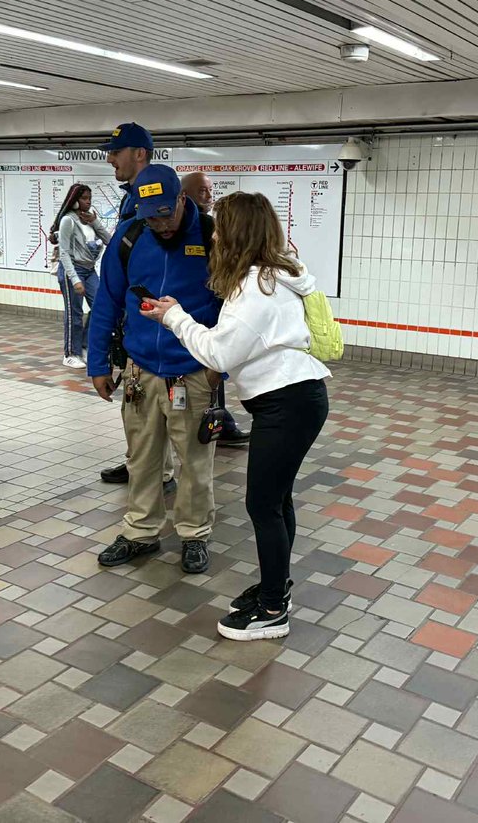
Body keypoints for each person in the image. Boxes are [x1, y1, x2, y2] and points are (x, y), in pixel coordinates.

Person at [141, 191, 330, 641]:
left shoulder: (256, 288)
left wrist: (175, 318)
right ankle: (274, 590)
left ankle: (271, 611)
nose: (215, 234)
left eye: (221, 227)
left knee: (263, 504)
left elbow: (220, 352)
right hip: (296, 399)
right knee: (276, 501)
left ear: (238, 233)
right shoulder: (274, 274)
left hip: (287, 403)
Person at [87, 163, 220, 574]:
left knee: (194, 461)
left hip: (194, 371)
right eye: (151, 217)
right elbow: (107, 303)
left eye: (166, 213)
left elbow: (230, 306)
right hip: (140, 370)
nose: (160, 224)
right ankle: (140, 531)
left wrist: (220, 369)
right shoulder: (130, 238)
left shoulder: (214, 238)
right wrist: (97, 364)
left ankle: (194, 534)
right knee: (141, 458)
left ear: (181, 198)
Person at [94, 124, 175, 494]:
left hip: (179, 348)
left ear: (139, 153)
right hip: (140, 340)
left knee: (178, 434)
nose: (110, 158)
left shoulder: (188, 221)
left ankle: (155, 469)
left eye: (116, 151)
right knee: (143, 424)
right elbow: (110, 294)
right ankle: (145, 466)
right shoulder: (130, 206)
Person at [180, 171, 249, 449]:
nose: (208, 196)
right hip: (191, 319)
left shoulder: (206, 227)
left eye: (210, 190)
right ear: (184, 195)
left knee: (212, 374)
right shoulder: (190, 229)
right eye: (202, 191)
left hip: (207, 318)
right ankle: (216, 425)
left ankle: (218, 424)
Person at [53, 183, 110, 368]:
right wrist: (75, 279)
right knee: (74, 313)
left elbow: (109, 240)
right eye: (84, 199)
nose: (87, 202)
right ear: (75, 200)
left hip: (89, 269)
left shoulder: (89, 218)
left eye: (89, 199)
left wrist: (94, 221)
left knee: (101, 307)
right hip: (73, 270)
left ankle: (84, 346)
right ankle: (70, 353)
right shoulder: (68, 221)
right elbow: (64, 253)